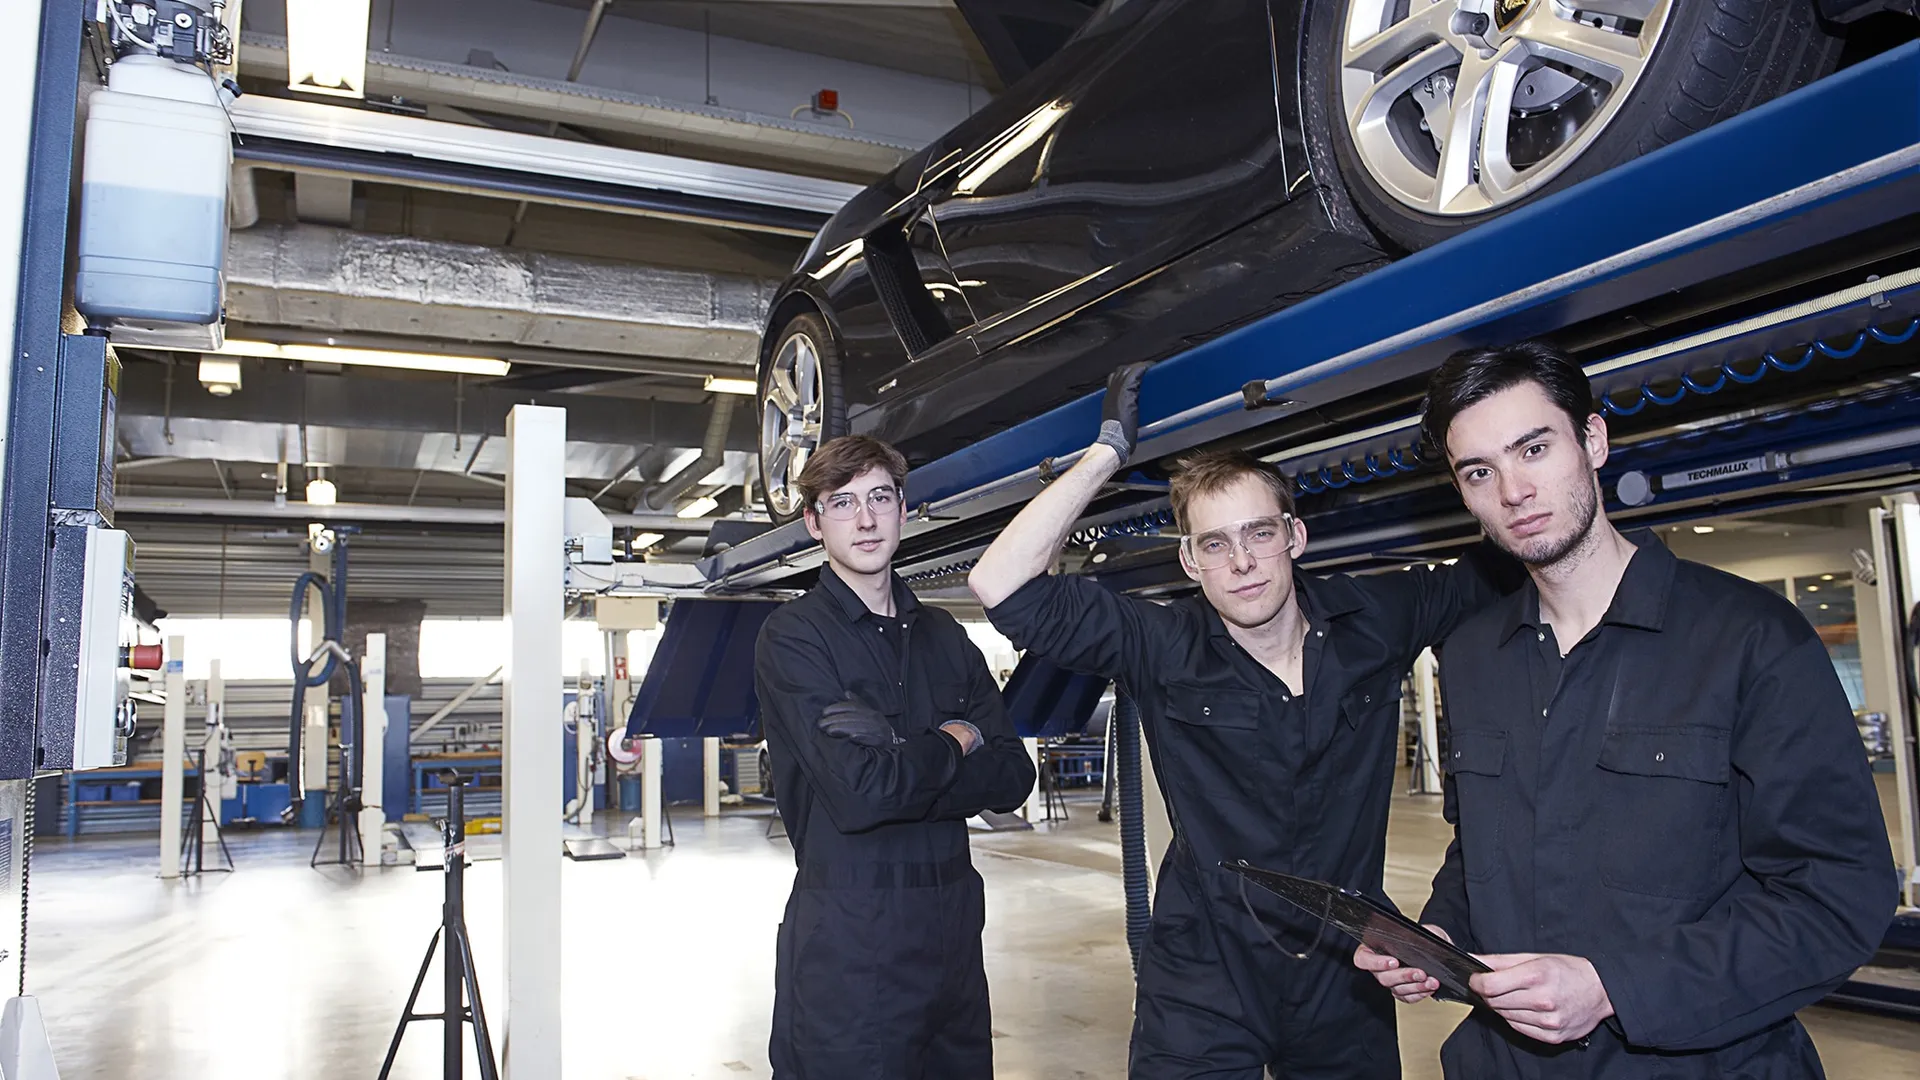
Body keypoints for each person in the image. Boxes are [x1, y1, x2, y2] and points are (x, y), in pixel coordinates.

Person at [1356, 341, 1895, 1077]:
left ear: (1593, 441)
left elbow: (1836, 896)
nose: (1512, 490)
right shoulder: (1476, 656)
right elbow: (1482, 848)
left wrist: (1614, 987)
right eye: (1479, 471)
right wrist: (1437, 934)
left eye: (1534, 448)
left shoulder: (1748, 637)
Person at [968, 363, 1521, 1078]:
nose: (1242, 563)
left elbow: (1508, 555)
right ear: (1190, 563)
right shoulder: (1161, 646)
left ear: (1295, 536)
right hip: (1204, 973)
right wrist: (1107, 451)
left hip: (1344, 966)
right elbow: (1000, 585)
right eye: (1215, 544)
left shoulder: (1374, 622)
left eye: (1259, 534)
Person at [755, 434, 1037, 1080]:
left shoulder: (945, 636)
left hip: (954, 955)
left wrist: (896, 758)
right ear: (813, 523)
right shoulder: (794, 638)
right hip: (849, 956)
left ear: (903, 510)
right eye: (842, 501)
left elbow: (1013, 775)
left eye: (880, 497)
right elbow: (858, 796)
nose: (865, 518)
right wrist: (950, 742)